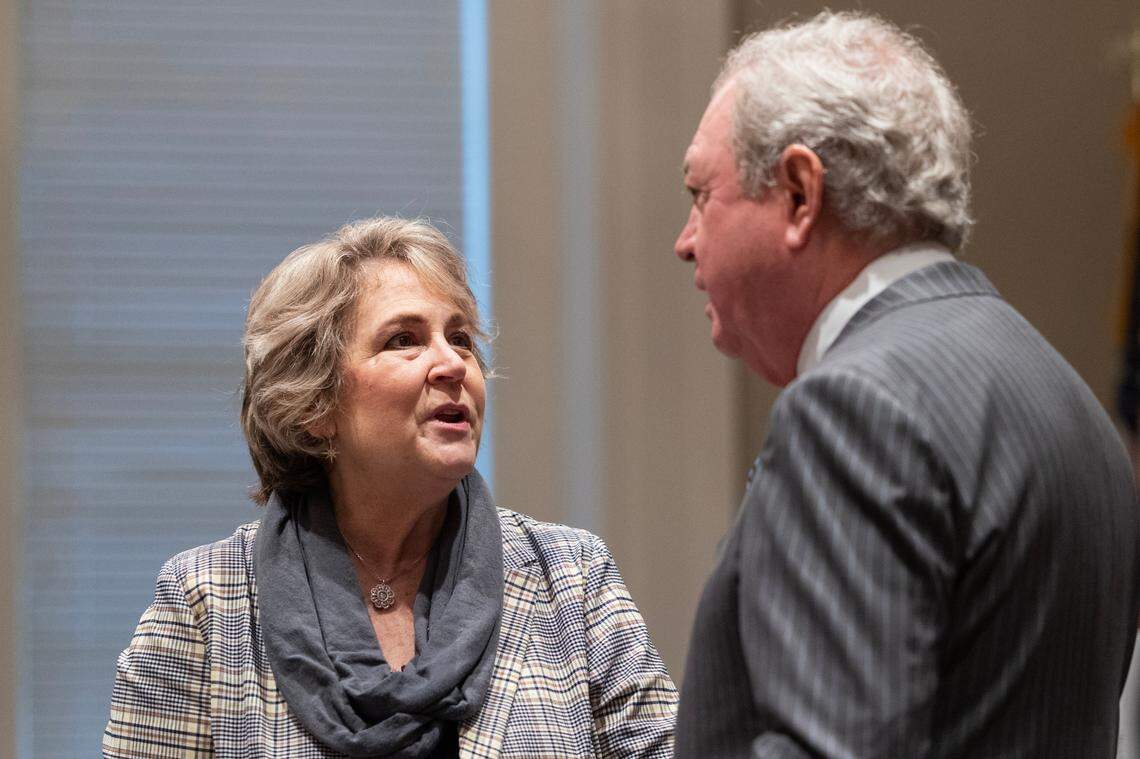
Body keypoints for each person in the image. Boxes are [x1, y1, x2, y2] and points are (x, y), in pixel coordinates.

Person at [672, 11, 1140, 758]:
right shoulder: (1067, 399)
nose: (686, 241)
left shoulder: (853, 407)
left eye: (701, 194)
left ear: (798, 193)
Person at [103, 216, 676, 758]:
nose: (452, 364)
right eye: (404, 340)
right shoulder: (206, 602)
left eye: (462, 339)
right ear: (314, 405)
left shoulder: (571, 579)